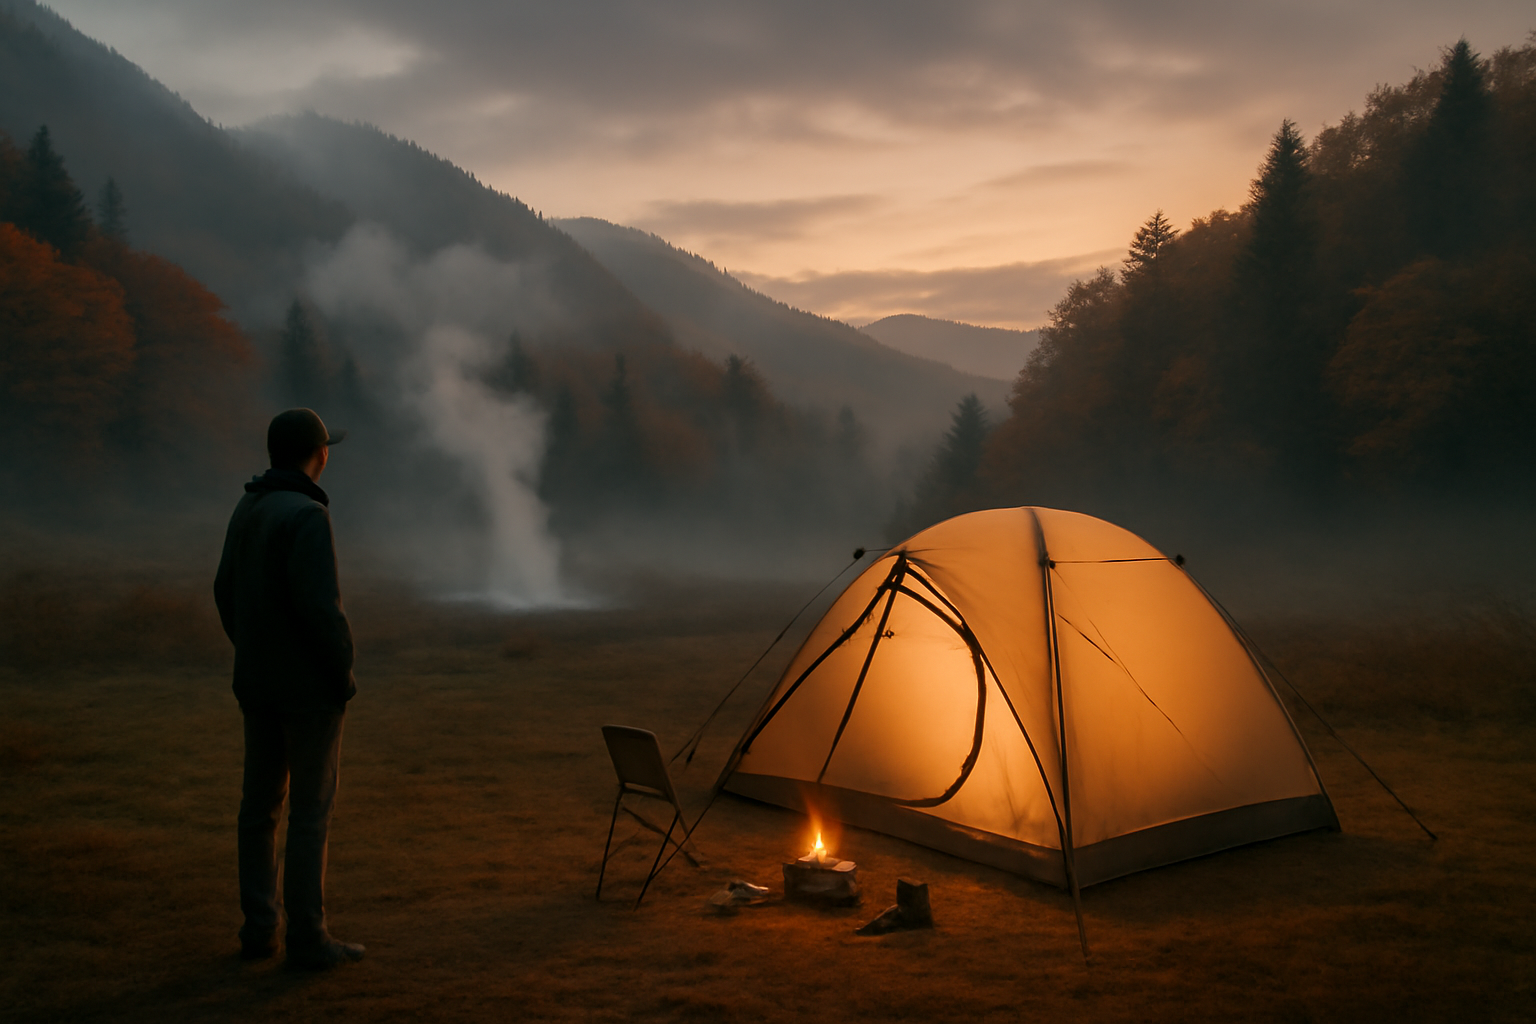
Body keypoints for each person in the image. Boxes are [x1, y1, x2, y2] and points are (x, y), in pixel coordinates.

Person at [214, 408, 364, 970]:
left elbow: (223, 589)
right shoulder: (306, 515)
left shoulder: (247, 505)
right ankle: (308, 937)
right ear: (316, 454)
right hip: (308, 694)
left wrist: (250, 650)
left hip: (256, 685)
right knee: (309, 812)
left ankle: (259, 932)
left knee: (258, 811)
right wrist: (342, 675)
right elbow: (322, 612)